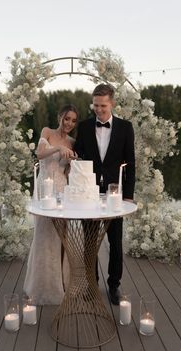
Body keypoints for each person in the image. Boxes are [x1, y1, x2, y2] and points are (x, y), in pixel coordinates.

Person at [74, 84, 135, 305]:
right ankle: (92, 285)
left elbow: (131, 163)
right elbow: (79, 153)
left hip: (115, 195)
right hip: (88, 194)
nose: (98, 110)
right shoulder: (84, 126)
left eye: (103, 105)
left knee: (116, 243)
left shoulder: (126, 127)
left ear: (112, 104)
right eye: (95, 105)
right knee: (89, 243)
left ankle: (114, 286)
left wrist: (128, 195)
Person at [23, 104, 78, 305]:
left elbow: (68, 173)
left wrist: (73, 163)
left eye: (73, 120)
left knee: (60, 236)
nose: (69, 123)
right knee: (43, 234)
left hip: (62, 189)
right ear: (59, 117)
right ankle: (40, 286)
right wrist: (58, 147)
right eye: (66, 119)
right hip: (44, 188)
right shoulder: (47, 131)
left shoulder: (73, 142)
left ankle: (61, 284)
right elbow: (39, 155)